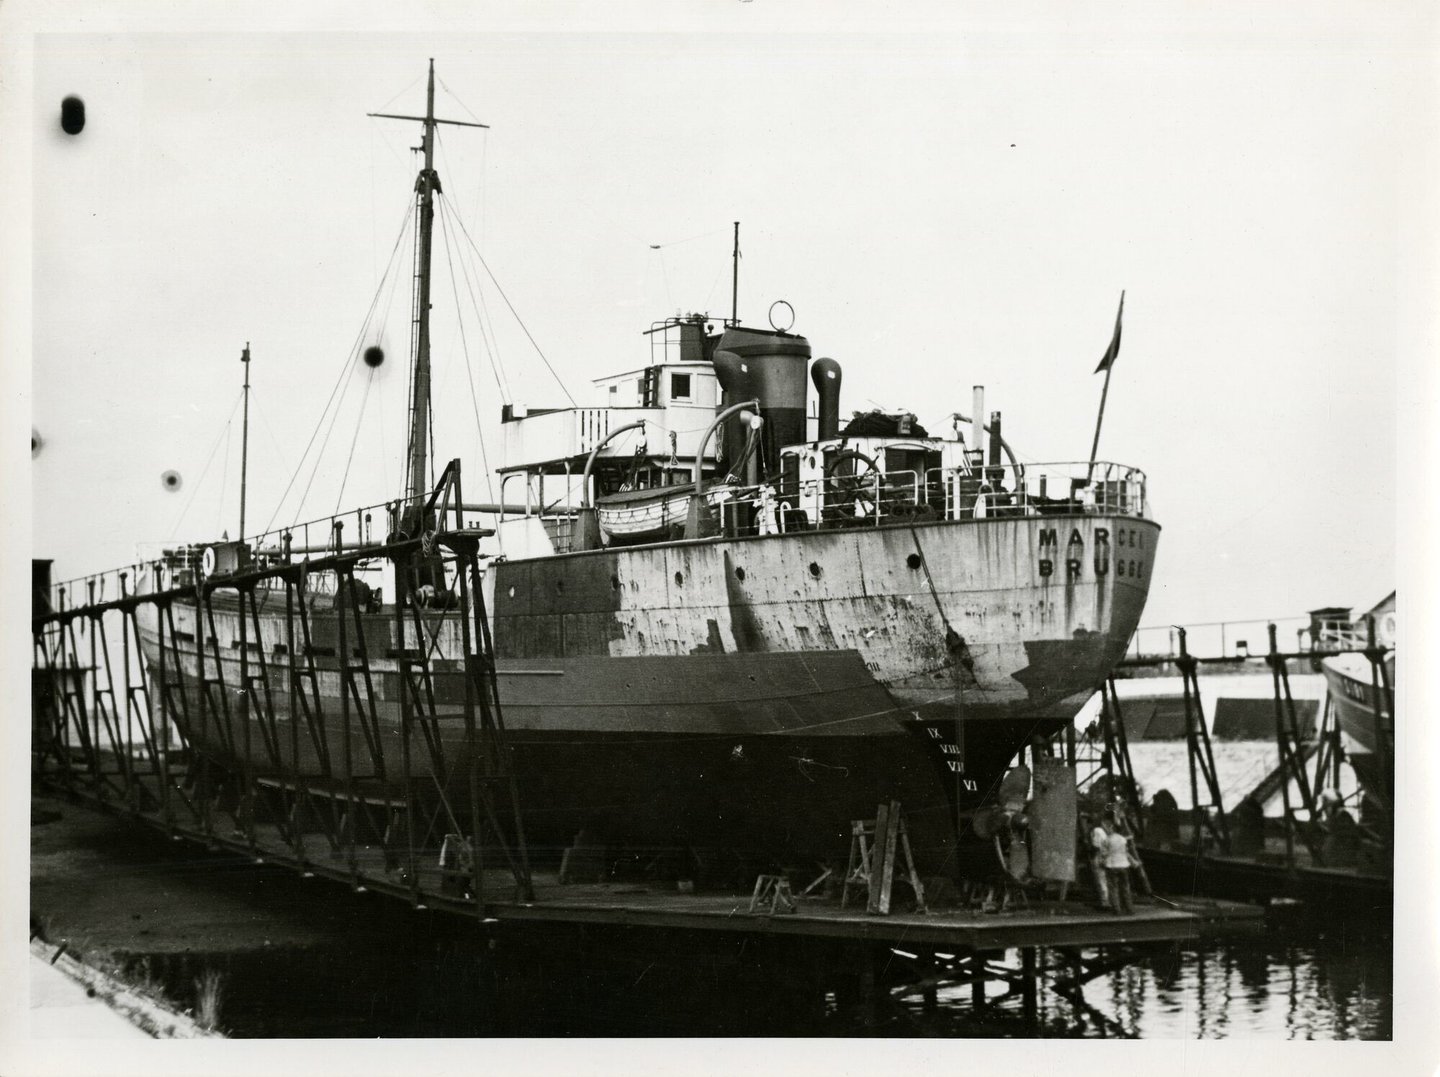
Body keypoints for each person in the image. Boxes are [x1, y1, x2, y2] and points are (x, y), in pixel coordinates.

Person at [1103, 815, 1134, 914]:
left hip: (1112, 865)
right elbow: (1126, 852)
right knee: (1125, 887)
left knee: (1113, 888)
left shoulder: (1107, 840)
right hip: (1124, 865)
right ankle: (1129, 909)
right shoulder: (1123, 839)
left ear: (1111, 829)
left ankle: (1117, 909)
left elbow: (1104, 853)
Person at [1087, 815, 1111, 909]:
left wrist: (1090, 852)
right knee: (1104, 879)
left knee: (1101, 880)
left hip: (1099, 857)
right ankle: (1106, 900)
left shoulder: (1096, 831)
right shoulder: (1102, 831)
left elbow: (1096, 846)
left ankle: (1104, 902)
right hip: (1105, 856)